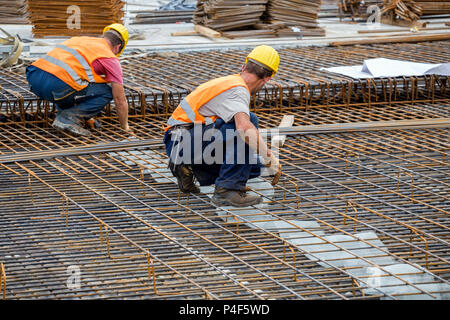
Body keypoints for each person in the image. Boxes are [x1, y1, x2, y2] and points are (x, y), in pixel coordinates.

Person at [164, 45, 282, 207]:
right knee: (249, 123)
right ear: (267, 78)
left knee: (254, 166)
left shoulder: (230, 82)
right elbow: (244, 129)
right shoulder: (238, 90)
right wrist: (270, 158)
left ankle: (187, 168)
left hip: (181, 142)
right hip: (183, 142)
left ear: (244, 67)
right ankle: (227, 190)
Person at [26, 23, 131, 137]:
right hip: (57, 86)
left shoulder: (80, 40)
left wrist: (88, 116)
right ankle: (68, 118)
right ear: (117, 47)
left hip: (34, 79)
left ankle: (68, 115)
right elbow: (120, 100)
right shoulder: (109, 58)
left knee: (77, 82)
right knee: (108, 91)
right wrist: (125, 127)